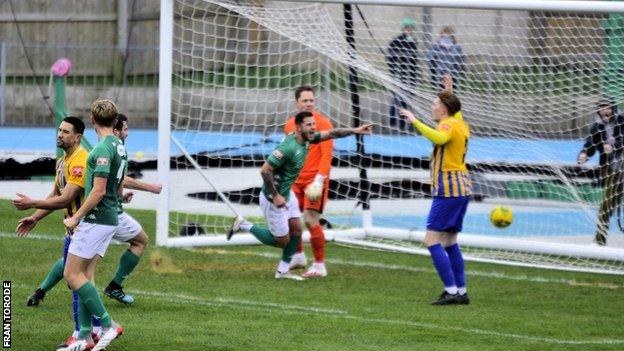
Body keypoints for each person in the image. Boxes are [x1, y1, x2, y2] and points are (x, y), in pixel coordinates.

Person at [227, 111, 372, 280]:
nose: (313, 127)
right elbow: (265, 170)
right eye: (309, 124)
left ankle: (282, 271)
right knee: (281, 241)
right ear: (298, 127)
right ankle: (243, 225)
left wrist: (356, 130)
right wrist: (275, 196)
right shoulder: (288, 147)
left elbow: (332, 133)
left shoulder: (307, 138)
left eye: (313, 124)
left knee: (296, 231)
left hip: (287, 194)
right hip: (272, 199)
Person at [13, 116, 104, 346]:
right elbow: (55, 194)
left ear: (78, 137)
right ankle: (92, 330)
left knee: (76, 279)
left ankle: (86, 332)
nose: (60, 134)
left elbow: (66, 199)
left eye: (65, 131)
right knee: (76, 280)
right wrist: (34, 218)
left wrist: (32, 202)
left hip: (85, 228)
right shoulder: (63, 160)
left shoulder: (80, 161)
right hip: (74, 230)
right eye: (59, 130)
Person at [399, 75, 471, 305]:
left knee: (431, 239)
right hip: (462, 187)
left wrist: (415, 121)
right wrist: (448, 90)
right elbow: (455, 112)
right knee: (449, 241)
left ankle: (451, 290)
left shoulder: (447, 124)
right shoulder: (459, 120)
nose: (431, 107)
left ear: (443, 109)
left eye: (435, 104)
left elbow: (440, 138)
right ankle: (460, 291)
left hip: (448, 188)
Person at [61, 99, 125, 351]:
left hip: (96, 219)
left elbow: (97, 192)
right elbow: (115, 186)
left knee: (71, 275)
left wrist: (76, 217)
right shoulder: (118, 145)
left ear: (93, 121)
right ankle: (85, 336)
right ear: (115, 120)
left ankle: (109, 325)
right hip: (108, 218)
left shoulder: (100, 151)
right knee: (85, 275)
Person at [102, 113, 162, 305]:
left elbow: (114, 179)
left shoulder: (114, 147)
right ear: (115, 130)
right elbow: (120, 178)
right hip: (105, 214)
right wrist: (150, 187)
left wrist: (120, 195)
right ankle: (113, 288)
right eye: (125, 129)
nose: (128, 133)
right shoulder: (112, 149)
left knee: (76, 258)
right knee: (79, 263)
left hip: (108, 210)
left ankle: (41, 290)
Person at [283, 86, 333, 278]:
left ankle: (320, 265)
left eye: (311, 100)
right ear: (297, 103)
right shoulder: (289, 125)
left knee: (310, 219)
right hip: (295, 180)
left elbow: (327, 155)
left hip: (314, 181)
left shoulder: (323, 123)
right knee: (291, 219)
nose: (309, 103)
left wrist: (319, 180)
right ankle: (298, 256)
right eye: (305, 101)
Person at [577, 98, 624, 246]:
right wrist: (584, 153)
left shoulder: (622, 121)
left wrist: (614, 145)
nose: (606, 111)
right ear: (598, 110)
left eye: (609, 108)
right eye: (603, 108)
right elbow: (590, 144)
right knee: (606, 206)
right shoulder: (597, 127)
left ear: (614, 109)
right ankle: (599, 242)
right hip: (613, 170)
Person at [386, 18, 419, 132]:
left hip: (409, 76)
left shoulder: (413, 42)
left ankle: (403, 123)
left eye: (410, 28)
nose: (409, 30)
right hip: (398, 75)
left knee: (405, 100)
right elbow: (390, 56)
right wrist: (393, 71)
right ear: (403, 29)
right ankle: (393, 122)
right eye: (407, 28)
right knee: (397, 99)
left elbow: (414, 61)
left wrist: (415, 77)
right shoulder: (396, 41)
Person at [427, 26, 465, 90]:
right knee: (440, 96)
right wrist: (434, 71)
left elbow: (460, 60)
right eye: (444, 36)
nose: (447, 38)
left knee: (450, 96)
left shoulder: (456, 47)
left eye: (449, 36)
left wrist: (460, 70)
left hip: (452, 76)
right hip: (439, 77)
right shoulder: (435, 46)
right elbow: (430, 59)